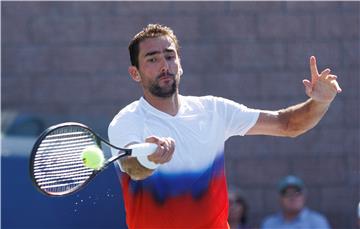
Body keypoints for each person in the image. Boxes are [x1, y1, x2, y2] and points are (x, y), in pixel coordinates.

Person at [108, 24, 341, 229]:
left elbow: (287, 124)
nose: (164, 65)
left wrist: (320, 101)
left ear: (180, 64)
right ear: (135, 74)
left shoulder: (214, 110)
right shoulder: (127, 121)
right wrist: (150, 158)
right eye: (152, 59)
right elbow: (132, 168)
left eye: (170, 56)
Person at [261, 175, 331, 229]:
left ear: (303, 197)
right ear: (280, 199)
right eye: (287, 193)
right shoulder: (269, 224)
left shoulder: (317, 222)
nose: (292, 197)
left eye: (297, 193)